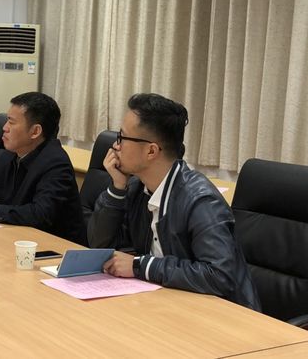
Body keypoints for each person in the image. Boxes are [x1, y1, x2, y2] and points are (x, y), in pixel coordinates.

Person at [87, 93, 260, 310]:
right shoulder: (137, 188)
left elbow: (219, 275)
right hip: (168, 304)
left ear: (151, 151)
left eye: (122, 137)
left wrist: (141, 266)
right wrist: (117, 189)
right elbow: (99, 246)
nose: (115, 146)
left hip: (223, 316)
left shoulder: (201, 201)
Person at [0, 92, 86, 245]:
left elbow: (40, 214)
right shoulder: (12, 153)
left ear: (35, 131)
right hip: (14, 238)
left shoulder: (56, 164)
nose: (4, 128)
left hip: (53, 249)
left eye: (11, 122)